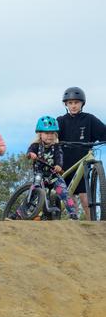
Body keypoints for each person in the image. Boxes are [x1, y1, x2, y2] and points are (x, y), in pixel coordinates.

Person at [57, 87, 106, 220]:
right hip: (65, 163)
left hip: (83, 164)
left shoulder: (89, 119)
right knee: (70, 197)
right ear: (66, 104)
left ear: (82, 104)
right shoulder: (61, 120)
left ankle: (93, 225)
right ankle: (76, 225)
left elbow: (103, 132)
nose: (73, 106)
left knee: (85, 198)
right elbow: (50, 136)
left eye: (76, 102)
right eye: (70, 103)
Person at [26, 116, 78, 220]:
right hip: (40, 175)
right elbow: (29, 152)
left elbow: (59, 158)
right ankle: (22, 211)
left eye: (52, 133)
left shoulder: (57, 147)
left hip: (53, 175)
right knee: (34, 191)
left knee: (64, 192)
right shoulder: (36, 145)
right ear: (40, 134)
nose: (49, 136)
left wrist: (59, 166)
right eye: (46, 133)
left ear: (55, 134)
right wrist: (31, 154)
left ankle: (73, 213)